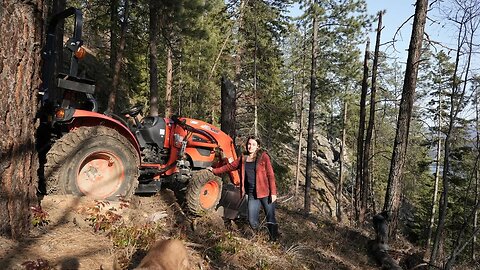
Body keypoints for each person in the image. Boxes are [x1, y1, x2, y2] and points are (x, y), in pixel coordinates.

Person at [207, 135, 280, 241]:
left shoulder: (263, 157)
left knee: (270, 218)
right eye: (249, 144)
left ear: (258, 146)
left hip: (266, 193)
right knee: (252, 220)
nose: (250, 146)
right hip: (252, 194)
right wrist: (214, 170)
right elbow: (229, 166)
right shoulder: (243, 158)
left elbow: (270, 175)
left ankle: (274, 240)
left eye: (253, 144)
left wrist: (273, 193)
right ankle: (259, 237)